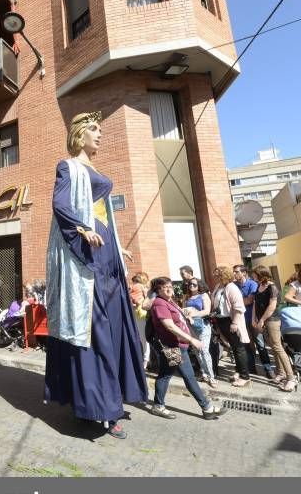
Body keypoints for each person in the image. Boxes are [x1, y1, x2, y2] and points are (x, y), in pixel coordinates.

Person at [44, 111, 147, 440]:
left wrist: (118, 246)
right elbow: (60, 205)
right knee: (95, 332)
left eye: (100, 130)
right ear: (79, 135)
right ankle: (103, 409)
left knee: (114, 330)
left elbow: (104, 212)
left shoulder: (95, 171)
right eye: (94, 129)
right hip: (87, 257)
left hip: (108, 255)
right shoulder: (68, 166)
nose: (100, 135)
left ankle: (109, 398)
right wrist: (83, 228)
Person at [148, 277, 227, 420]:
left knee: (165, 375)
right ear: (158, 290)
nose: (168, 289)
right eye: (164, 287)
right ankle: (207, 408)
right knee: (188, 377)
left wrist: (187, 318)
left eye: (170, 286)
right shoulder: (159, 303)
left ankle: (158, 406)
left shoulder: (169, 301)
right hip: (173, 346)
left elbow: (178, 320)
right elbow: (169, 326)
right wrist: (191, 339)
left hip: (177, 345)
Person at [252, 266, 295, 392]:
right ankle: (280, 373)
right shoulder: (259, 286)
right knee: (272, 346)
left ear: (261, 274)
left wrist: (262, 320)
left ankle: (291, 378)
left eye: (255, 274)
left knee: (277, 347)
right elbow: (255, 303)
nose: (253, 277)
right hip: (262, 321)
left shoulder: (272, 287)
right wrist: (254, 318)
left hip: (272, 320)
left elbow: (272, 306)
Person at [211, 265, 251, 387]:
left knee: (239, 348)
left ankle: (245, 377)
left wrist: (234, 323)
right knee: (233, 347)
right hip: (221, 320)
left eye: (217, 274)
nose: (215, 276)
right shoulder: (218, 287)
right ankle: (238, 372)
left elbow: (239, 308)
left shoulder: (231, 288)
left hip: (231, 320)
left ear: (224, 275)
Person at [234, 265, 272, 378]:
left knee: (260, 344)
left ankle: (268, 369)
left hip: (253, 319)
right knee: (247, 345)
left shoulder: (252, 284)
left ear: (244, 272)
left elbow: (250, 300)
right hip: (241, 320)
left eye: (236, 272)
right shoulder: (235, 285)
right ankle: (252, 368)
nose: (234, 274)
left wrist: (236, 302)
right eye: (234, 272)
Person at [182, 278, 216, 387]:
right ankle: (204, 373)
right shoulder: (186, 297)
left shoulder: (204, 296)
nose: (191, 286)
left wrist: (192, 314)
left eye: (194, 284)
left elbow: (207, 311)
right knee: (197, 351)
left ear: (199, 285)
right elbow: (183, 310)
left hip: (203, 325)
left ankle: (212, 377)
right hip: (191, 326)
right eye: (189, 284)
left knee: (204, 350)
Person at [129, 272, 152, 371]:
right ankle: (146, 360)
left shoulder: (143, 289)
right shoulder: (137, 289)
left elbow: (147, 302)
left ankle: (146, 361)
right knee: (141, 338)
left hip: (140, 315)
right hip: (137, 314)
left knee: (143, 338)